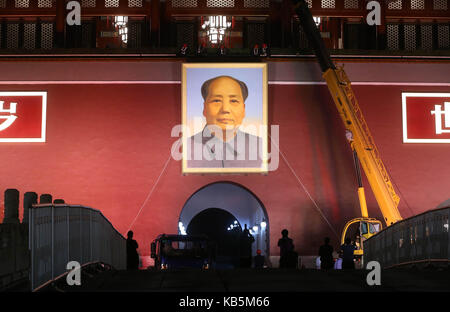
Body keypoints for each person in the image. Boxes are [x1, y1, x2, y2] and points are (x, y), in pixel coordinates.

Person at [186, 75, 263, 169]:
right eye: (217, 100)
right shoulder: (185, 148)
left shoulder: (262, 147)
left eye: (234, 101)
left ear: (243, 109)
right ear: (205, 108)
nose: (225, 109)